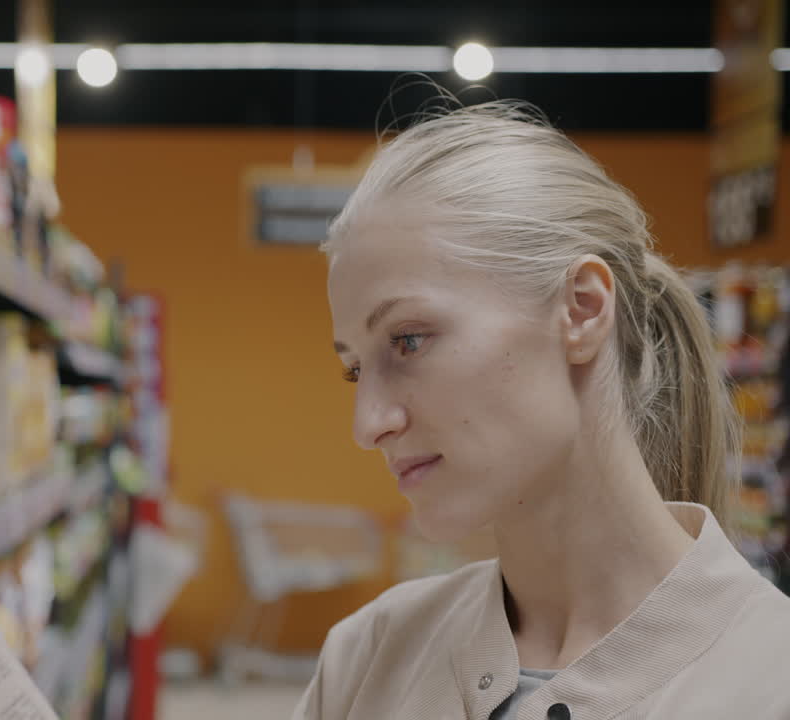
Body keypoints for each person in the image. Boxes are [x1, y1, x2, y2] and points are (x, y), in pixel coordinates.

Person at [298, 100, 790, 720]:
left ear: (581, 310)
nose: (368, 425)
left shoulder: (772, 680)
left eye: (408, 340)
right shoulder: (365, 659)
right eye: (354, 368)